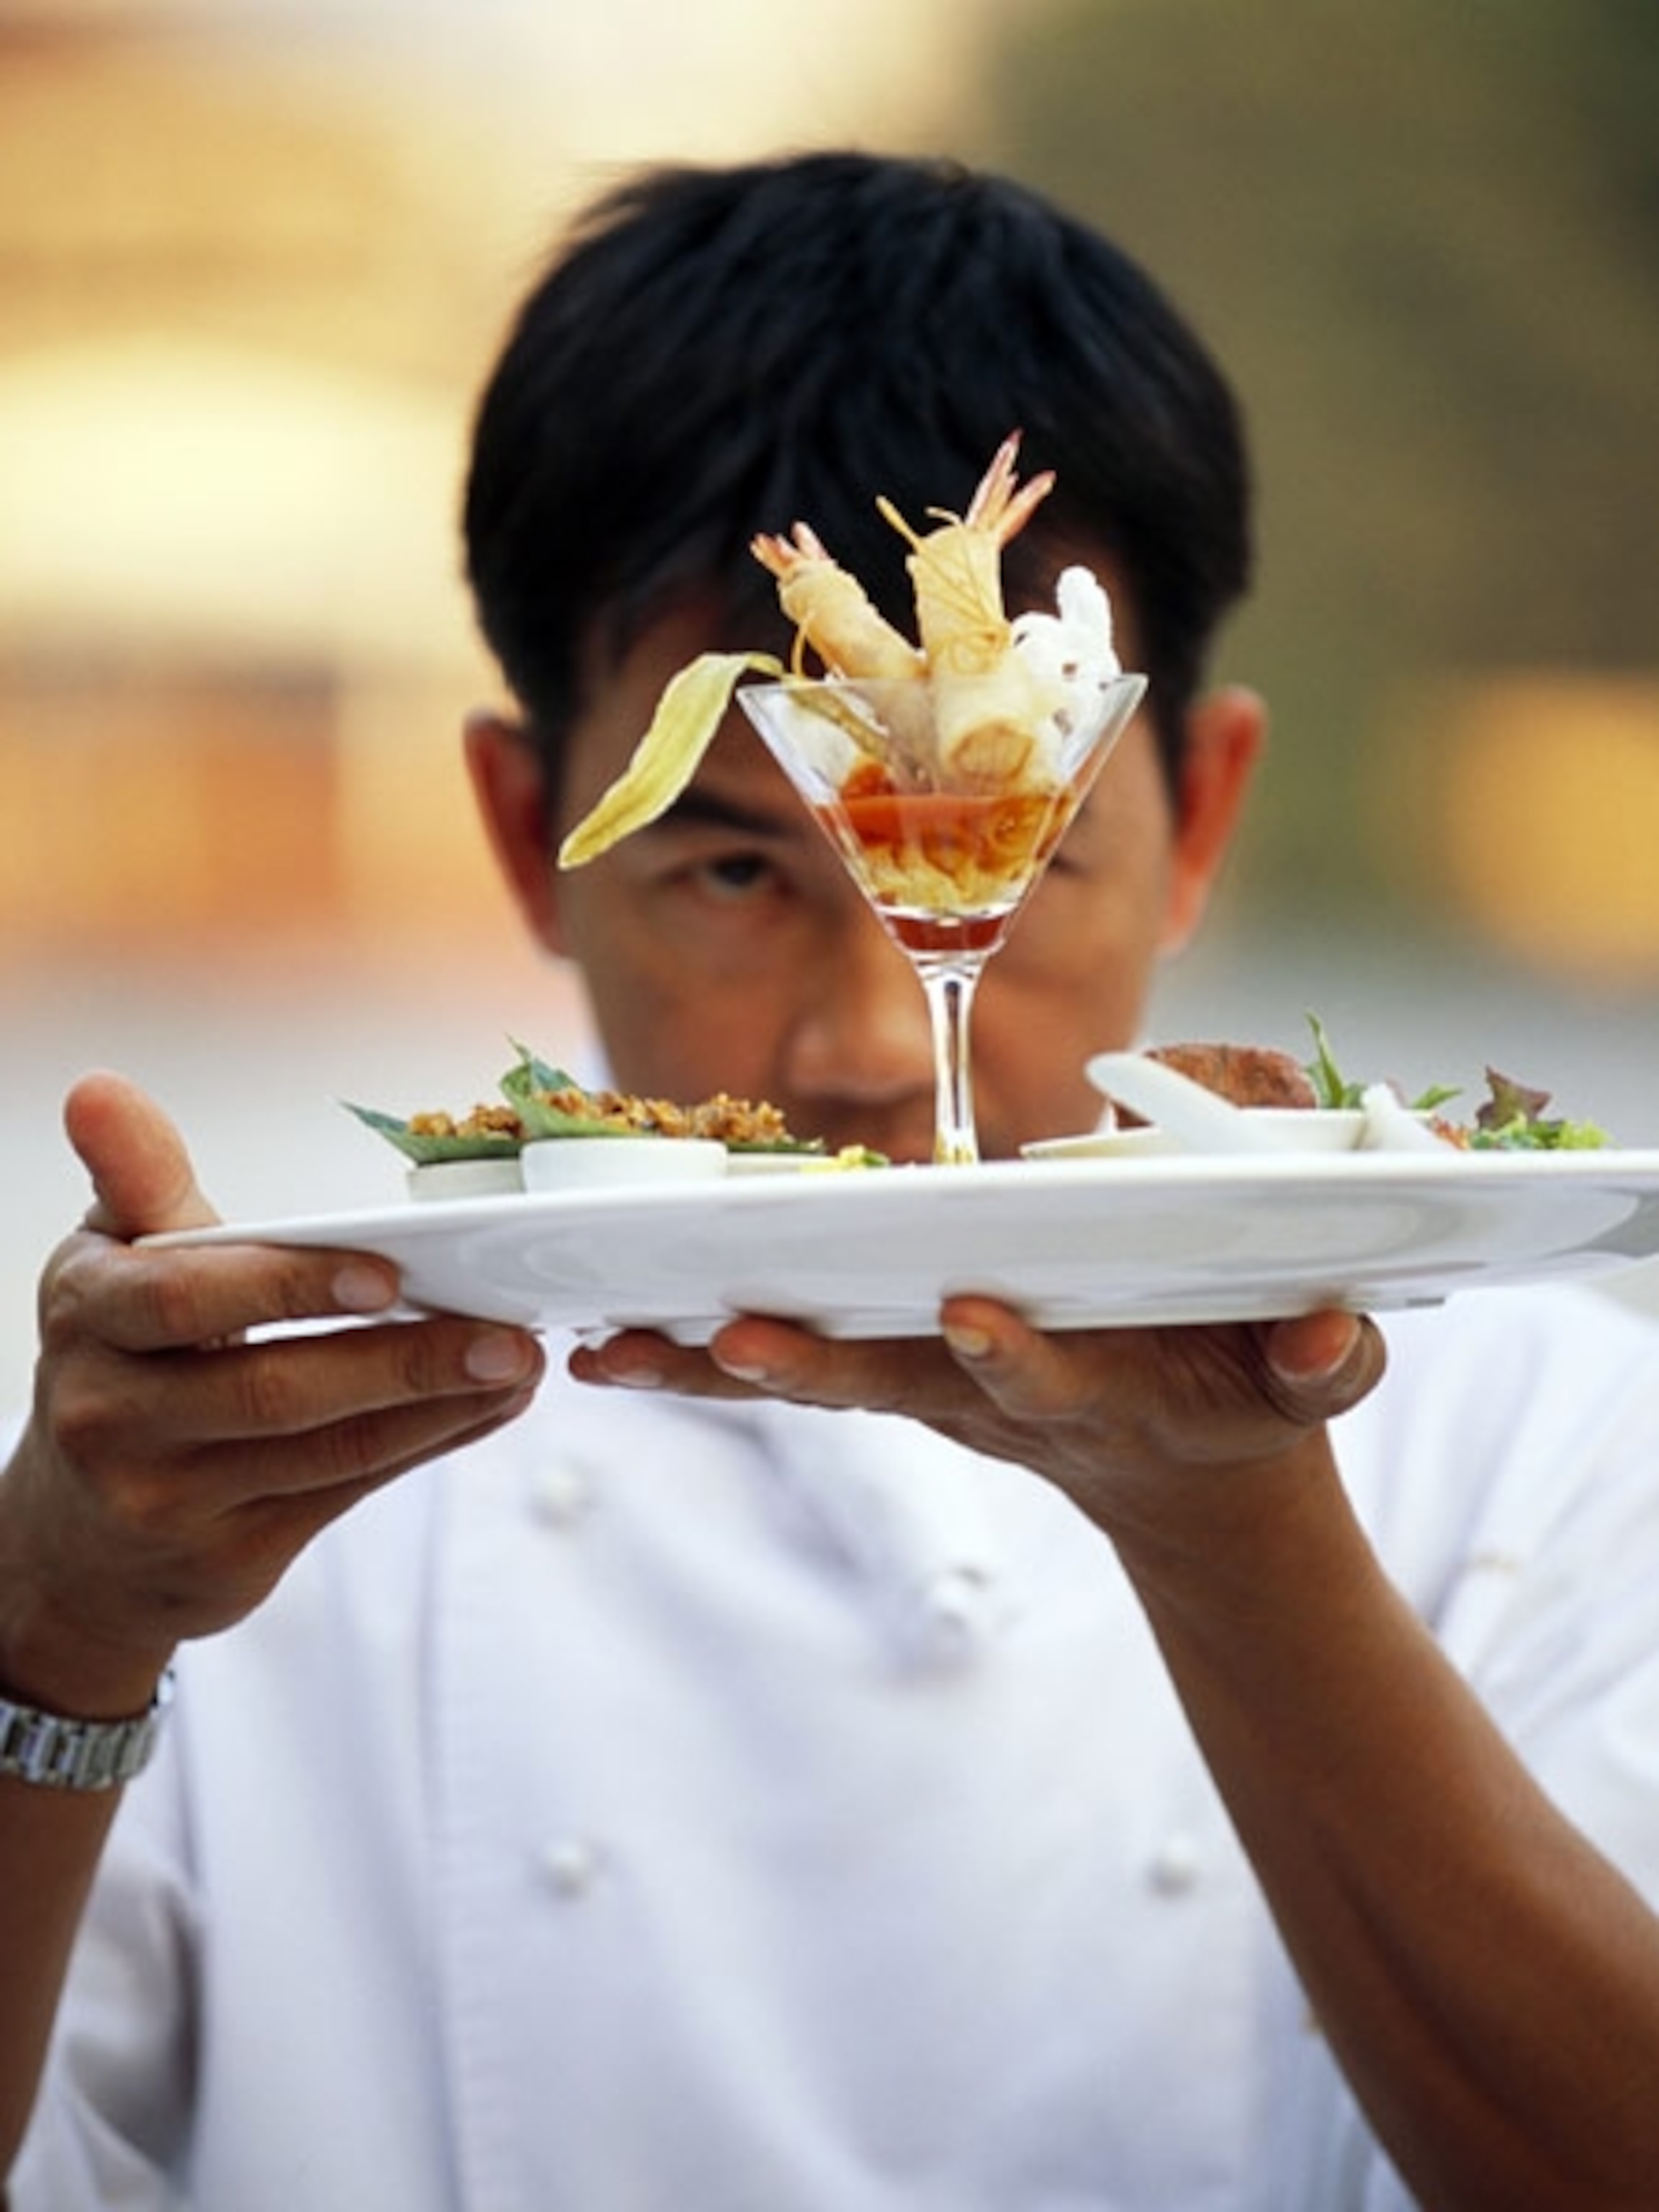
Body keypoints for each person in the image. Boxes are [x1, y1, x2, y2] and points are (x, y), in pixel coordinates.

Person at [4, 149, 1658, 2211]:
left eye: (1022, 852)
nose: (878, 1047)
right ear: (532, 837)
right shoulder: (240, 1485)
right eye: (728, 866)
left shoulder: (1562, 1446)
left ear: (1205, 807)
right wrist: (53, 1635)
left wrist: (1236, 1530)